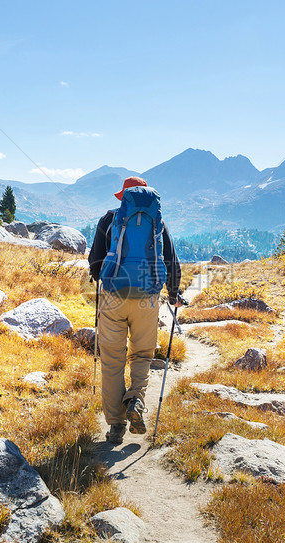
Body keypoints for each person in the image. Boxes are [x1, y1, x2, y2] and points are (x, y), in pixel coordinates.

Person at [88, 176, 186, 444]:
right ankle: (136, 400)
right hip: (147, 298)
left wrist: (103, 278)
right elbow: (171, 260)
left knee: (112, 361)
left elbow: (95, 264)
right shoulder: (158, 222)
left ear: (123, 197)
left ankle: (116, 425)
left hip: (113, 297)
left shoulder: (109, 220)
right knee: (142, 355)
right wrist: (175, 293)